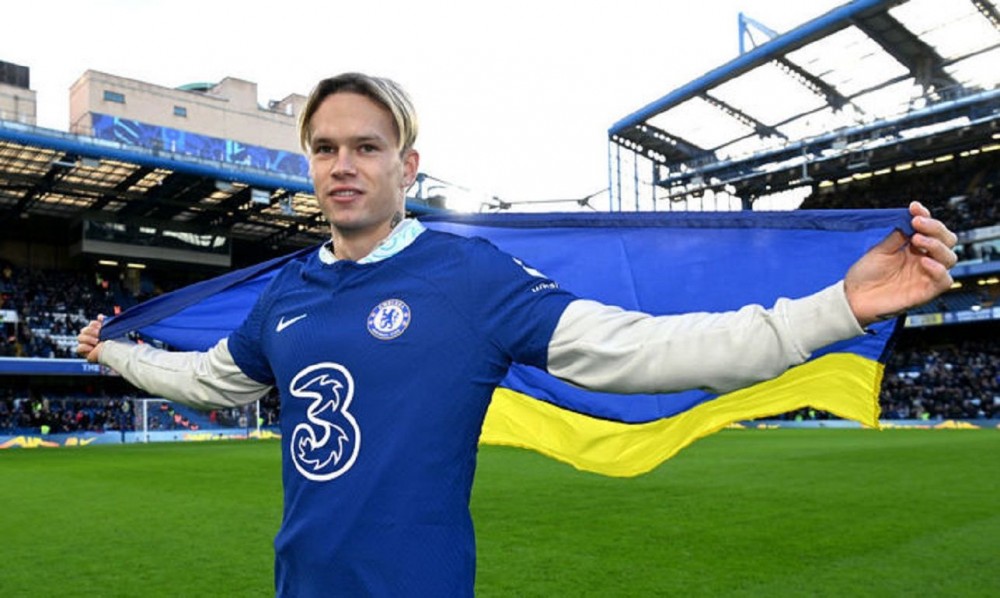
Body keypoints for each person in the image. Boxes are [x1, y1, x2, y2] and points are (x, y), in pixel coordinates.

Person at [76, 72, 958, 597]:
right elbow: (212, 381)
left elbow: (645, 352)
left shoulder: (470, 277)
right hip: (299, 586)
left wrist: (838, 308)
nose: (344, 166)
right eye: (325, 148)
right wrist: (114, 351)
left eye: (367, 147)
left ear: (407, 166)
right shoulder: (287, 293)